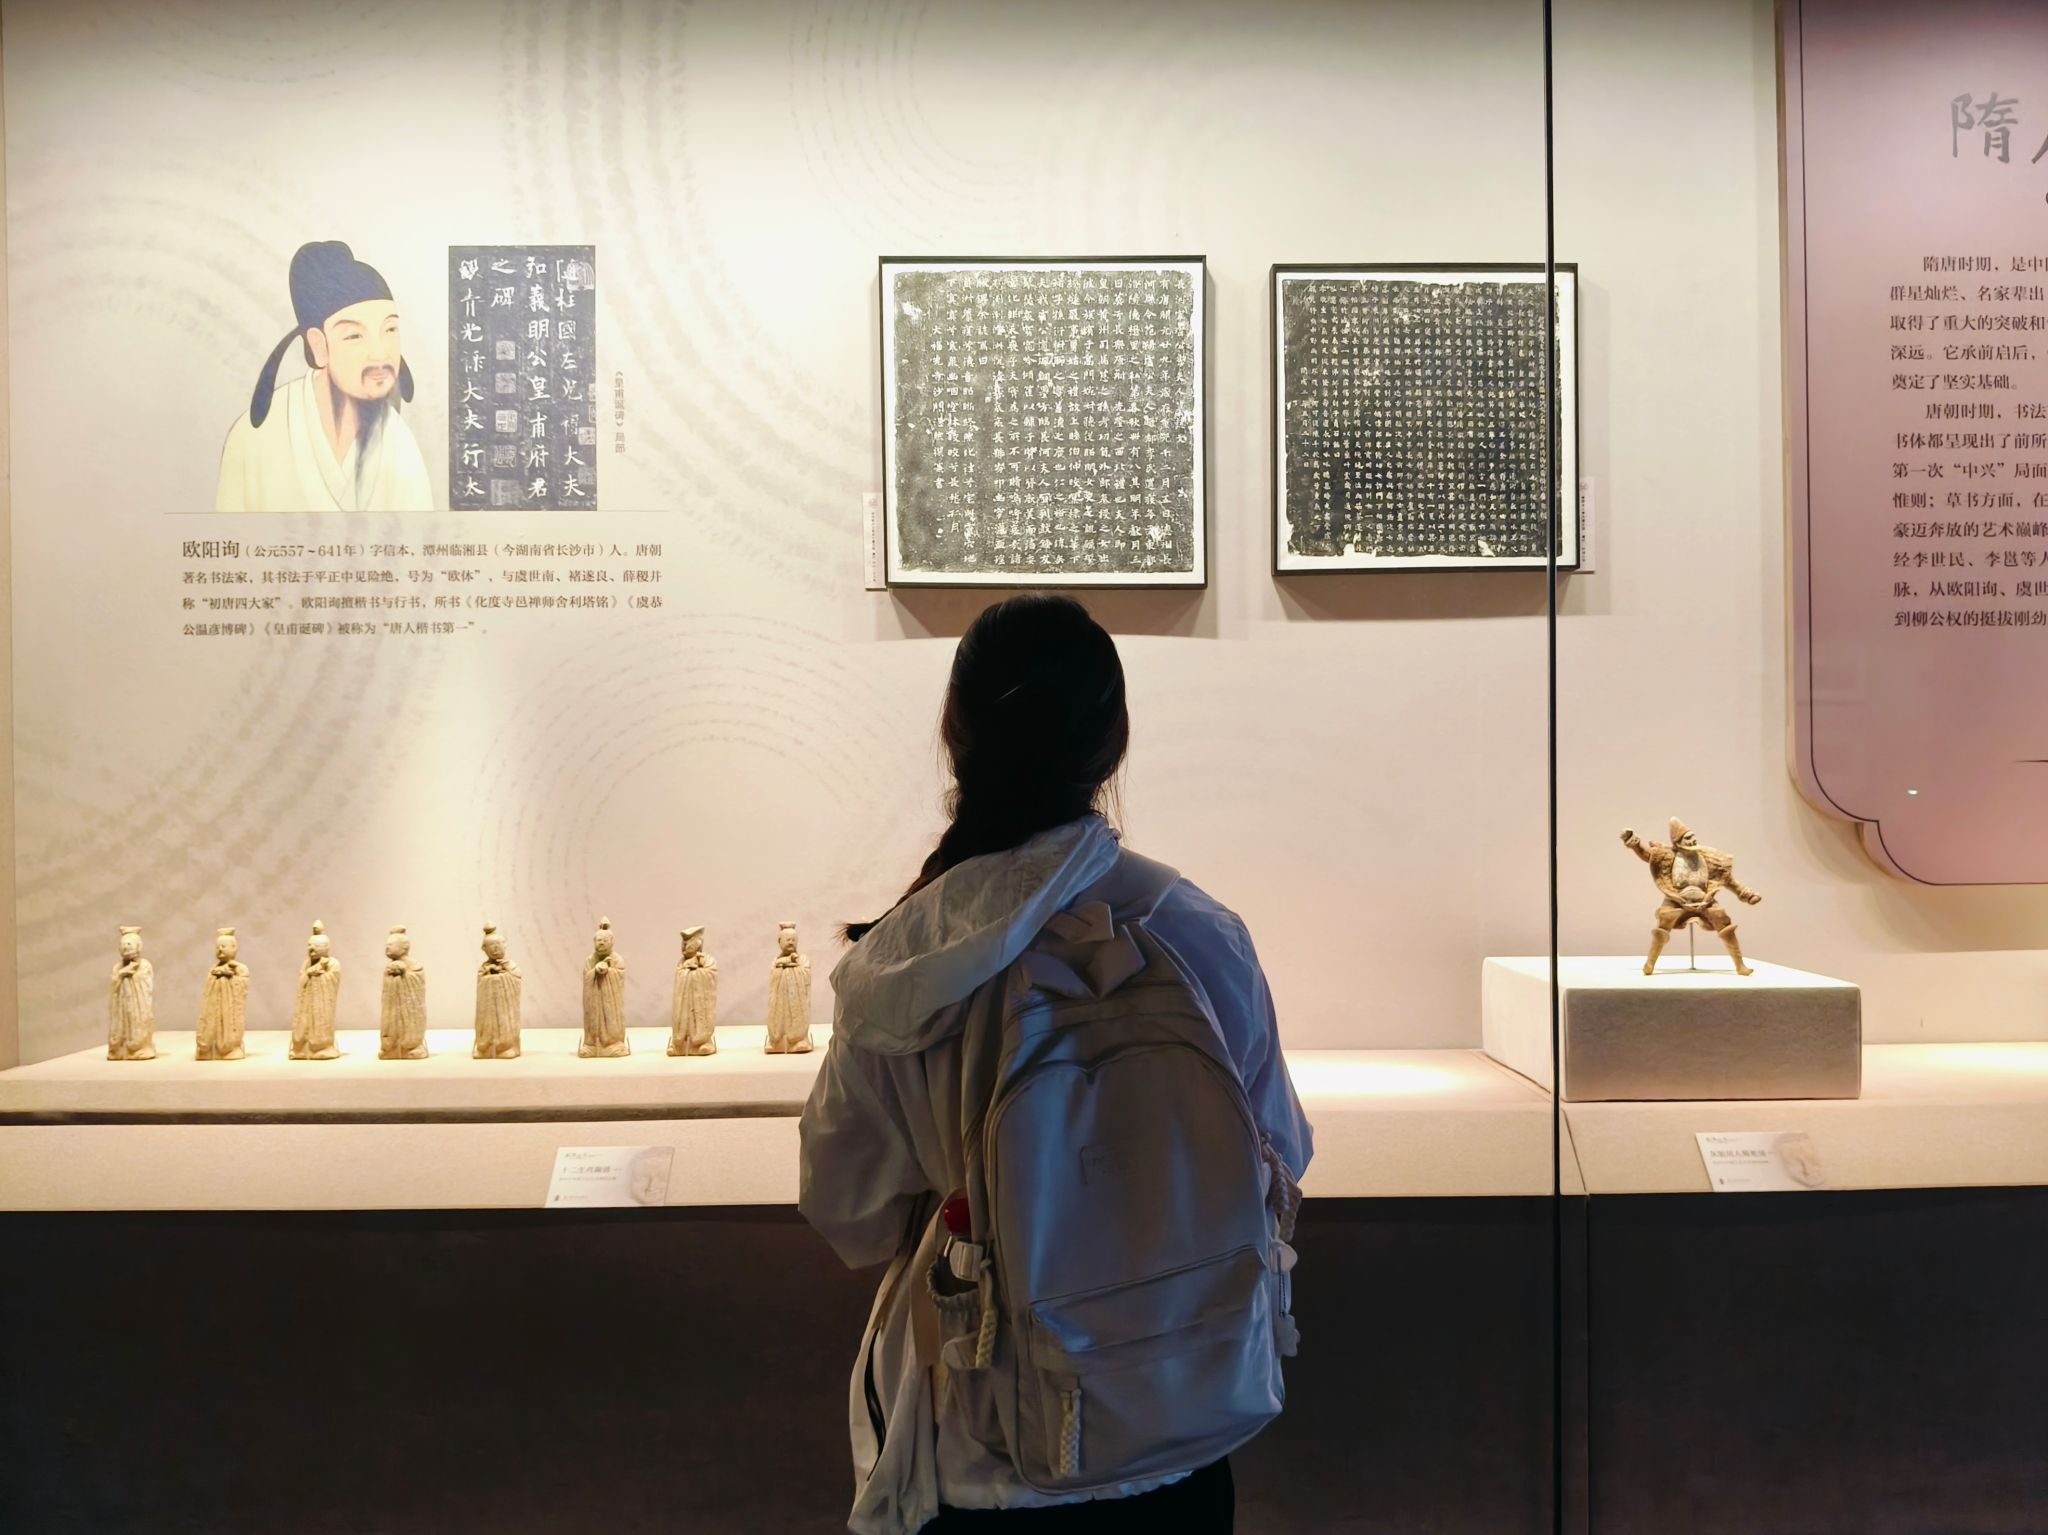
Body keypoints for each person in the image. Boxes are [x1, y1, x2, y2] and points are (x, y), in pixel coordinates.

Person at [799, 594, 1312, 1535]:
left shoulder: (900, 964)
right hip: (1182, 1426)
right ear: (1114, 744)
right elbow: (1281, 1148)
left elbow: (849, 1210)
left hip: (984, 1446)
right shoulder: (1197, 930)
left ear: (954, 738)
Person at [216, 240, 432, 513]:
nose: (379, 353)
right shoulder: (253, 438)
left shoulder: (398, 441)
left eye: (390, 330)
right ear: (319, 346)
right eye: (354, 335)